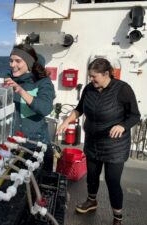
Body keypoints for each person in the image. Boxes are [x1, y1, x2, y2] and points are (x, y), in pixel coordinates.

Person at [57, 58, 140, 225]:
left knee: (112, 181)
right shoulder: (89, 89)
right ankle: (91, 201)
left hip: (115, 145)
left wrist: (122, 126)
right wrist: (67, 121)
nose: (91, 80)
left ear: (106, 74)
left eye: (94, 77)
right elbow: (79, 108)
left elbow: (134, 115)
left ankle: (118, 216)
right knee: (92, 177)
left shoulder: (123, 89)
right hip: (93, 141)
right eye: (90, 76)